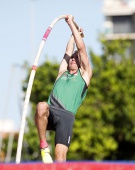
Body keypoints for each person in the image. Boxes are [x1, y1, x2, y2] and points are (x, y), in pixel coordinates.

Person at [35, 14, 92, 163]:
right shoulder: (62, 72)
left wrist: (70, 24)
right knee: (41, 107)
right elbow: (69, 49)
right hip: (52, 110)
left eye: (76, 57)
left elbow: (81, 48)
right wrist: (75, 33)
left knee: (60, 157)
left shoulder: (84, 75)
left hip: (66, 117)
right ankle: (43, 146)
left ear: (81, 62)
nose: (72, 58)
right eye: (71, 57)